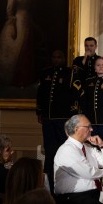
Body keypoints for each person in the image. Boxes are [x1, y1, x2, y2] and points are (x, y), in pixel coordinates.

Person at [36, 49, 76, 188]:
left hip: (63, 117)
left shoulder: (69, 73)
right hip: (48, 117)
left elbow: (74, 95)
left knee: (64, 147)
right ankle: (48, 173)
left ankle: (64, 172)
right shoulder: (45, 73)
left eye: (59, 57)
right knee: (49, 147)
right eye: (54, 56)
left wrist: (72, 115)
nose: (56, 59)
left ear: (64, 58)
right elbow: (40, 94)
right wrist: (39, 112)